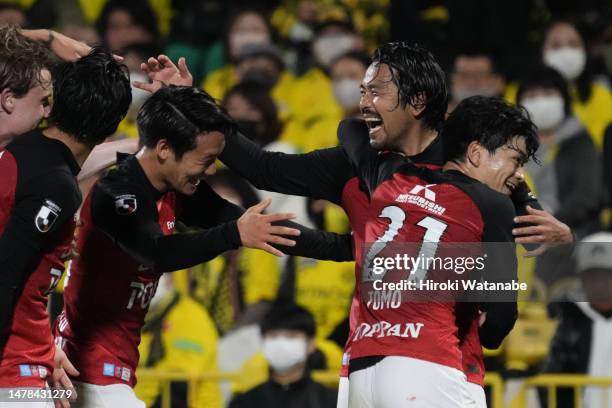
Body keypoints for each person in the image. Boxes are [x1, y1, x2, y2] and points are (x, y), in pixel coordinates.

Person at [138, 42, 573, 407]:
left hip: (374, 363)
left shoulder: (435, 158)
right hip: (429, 360)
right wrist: (191, 104)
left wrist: (540, 215)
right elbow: (264, 168)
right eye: (363, 91)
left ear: (417, 102)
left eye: (376, 91)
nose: (363, 101)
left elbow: (509, 179)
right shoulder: (366, 161)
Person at [53, 85, 352, 408]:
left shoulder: (175, 189)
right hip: (84, 366)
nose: (211, 171)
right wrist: (233, 235)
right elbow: (157, 252)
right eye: (206, 159)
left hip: (113, 369)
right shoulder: (117, 194)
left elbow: (258, 227)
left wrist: (348, 247)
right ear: (165, 149)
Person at [339, 95, 538, 406]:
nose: (520, 175)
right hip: (429, 364)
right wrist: (523, 198)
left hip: (361, 367)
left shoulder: (395, 177)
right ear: (474, 152)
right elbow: (500, 319)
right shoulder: (492, 204)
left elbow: (350, 129)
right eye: (517, 160)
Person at [0, 47, 132, 406]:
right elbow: (6, 272)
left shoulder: (22, 150)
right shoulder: (55, 186)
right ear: (110, 126)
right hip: (13, 375)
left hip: (31, 361)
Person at [518, 65, 603, 239]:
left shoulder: (580, 140)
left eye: (548, 94)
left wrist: (549, 225)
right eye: (532, 96)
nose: (541, 102)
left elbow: (587, 197)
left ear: (564, 100)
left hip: (573, 234)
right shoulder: (508, 145)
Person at [540, 232, 612, 408]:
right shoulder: (565, 320)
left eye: (607, 274)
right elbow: (550, 382)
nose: (600, 282)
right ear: (582, 277)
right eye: (592, 275)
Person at [228, 302, 337, 408]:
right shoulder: (244, 403)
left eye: (291, 336)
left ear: (311, 344)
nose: (281, 345)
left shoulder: (331, 402)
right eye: (273, 336)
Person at [541, 20, 612, 150]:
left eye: (572, 44)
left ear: (585, 50)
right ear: (542, 51)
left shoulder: (600, 91)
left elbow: (602, 144)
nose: (565, 52)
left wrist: (557, 136)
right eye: (556, 45)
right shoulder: (520, 92)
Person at [329, 51, 370, 119]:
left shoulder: (389, 124)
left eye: (352, 76)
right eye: (338, 78)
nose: (345, 84)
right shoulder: (328, 125)